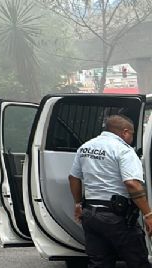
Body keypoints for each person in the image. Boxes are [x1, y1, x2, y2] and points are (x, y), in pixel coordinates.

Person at [69, 115, 152, 268]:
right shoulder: (123, 150)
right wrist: (148, 214)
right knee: (138, 262)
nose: (132, 138)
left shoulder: (86, 147)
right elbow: (132, 184)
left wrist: (78, 204)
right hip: (116, 217)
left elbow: (73, 177)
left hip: (90, 216)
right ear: (125, 132)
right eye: (132, 134)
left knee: (100, 263)